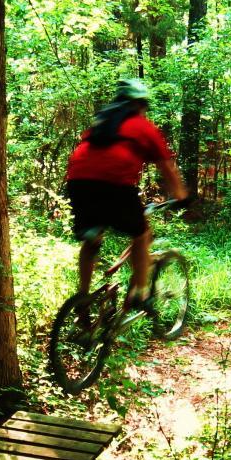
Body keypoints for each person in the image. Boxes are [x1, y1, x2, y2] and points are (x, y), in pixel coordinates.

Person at [65, 77, 189, 310]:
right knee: (141, 235)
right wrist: (182, 196)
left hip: (78, 182)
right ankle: (139, 295)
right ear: (140, 105)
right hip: (114, 185)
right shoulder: (143, 126)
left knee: (93, 237)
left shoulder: (100, 124)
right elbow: (167, 167)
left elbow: (90, 156)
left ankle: (83, 296)